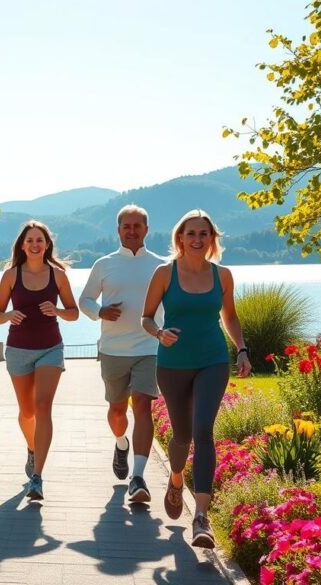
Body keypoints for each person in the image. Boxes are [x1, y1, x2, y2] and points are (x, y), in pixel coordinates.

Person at [140, 209, 252, 549]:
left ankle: (201, 518)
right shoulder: (164, 274)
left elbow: (229, 316)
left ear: (212, 239)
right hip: (173, 363)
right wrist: (159, 333)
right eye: (191, 233)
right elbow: (145, 318)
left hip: (212, 360)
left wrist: (242, 350)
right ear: (180, 238)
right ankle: (176, 480)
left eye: (204, 234)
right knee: (182, 435)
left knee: (203, 432)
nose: (197, 239)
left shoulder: (223, 276)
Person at [79, 204, 164, 504]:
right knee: (117, 410)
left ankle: (138, 477)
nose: (131, 230)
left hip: (149, 348)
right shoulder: (104, 264)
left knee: (142, 406)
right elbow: (85, 300)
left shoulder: (161, 265)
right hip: (113, 350)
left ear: (146, 229)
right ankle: (121, 442)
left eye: (137, 226)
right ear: (118, 230)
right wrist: (99, 310)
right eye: (126, 226)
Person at [0, 220, 78, 501]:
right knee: (27, 412)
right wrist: (7, 316)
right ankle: (32, 448)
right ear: (22, 245)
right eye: (29, 240)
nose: (34, 244)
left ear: (47, 244)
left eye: (39, 239)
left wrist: (57, 310)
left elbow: (74, 312)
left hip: (50, 348)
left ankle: (38, 477)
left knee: (43, 407)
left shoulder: (59, 275)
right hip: (18, 349)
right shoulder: (10, 276)